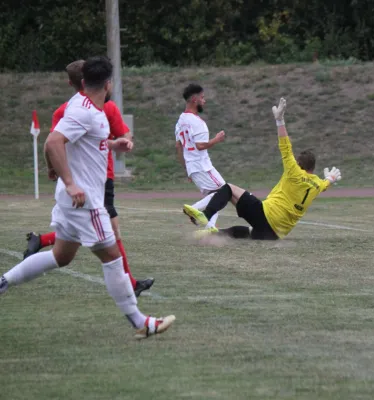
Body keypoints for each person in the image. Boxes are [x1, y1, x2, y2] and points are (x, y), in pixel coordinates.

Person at [0, 56, 175, 339]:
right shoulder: (89, 112)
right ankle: (141, 323)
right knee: (112, 258)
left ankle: (3, 282)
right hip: (86, 203)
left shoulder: (79, 105)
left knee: (61, 256)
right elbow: (53, 142)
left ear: (83, 83)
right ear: (109, 84)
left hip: (71, 204)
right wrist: (70, 182)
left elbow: (65, 139)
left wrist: (110, 144)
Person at [22, 59, 154, 298]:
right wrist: (125, 140)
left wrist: (51, 168)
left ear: (73, 82)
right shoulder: (106, 107)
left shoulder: (65, 109)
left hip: (80, 183)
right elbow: (55, 141)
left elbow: (51, 143)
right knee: (110, 238)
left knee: (69, 249)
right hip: (97, 182)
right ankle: (132, 295)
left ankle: (40, 242)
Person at [186, 97, 342, 240]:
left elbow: (285, 146)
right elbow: (325, 185)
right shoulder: (317, 185)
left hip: (266, 217)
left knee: (228, 188)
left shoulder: (293, 171)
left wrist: (280, 120)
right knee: (244, 231)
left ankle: (206, 215)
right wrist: (330, 179)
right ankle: (214, 235)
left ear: (299, 164)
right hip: (275, 234)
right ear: (312, 169)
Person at [176, 83, 227, 229]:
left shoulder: (180, 120)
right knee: (224, 192)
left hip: (193, 166)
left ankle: (210, 228)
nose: (204, 101)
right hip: (201, 165)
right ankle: (194, 208)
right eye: (202, 98)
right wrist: (217, 139)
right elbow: (200, 145)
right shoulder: (197, 122)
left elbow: (178, 146)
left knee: (213, 197)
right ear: (194, 99)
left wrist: (187, 170)